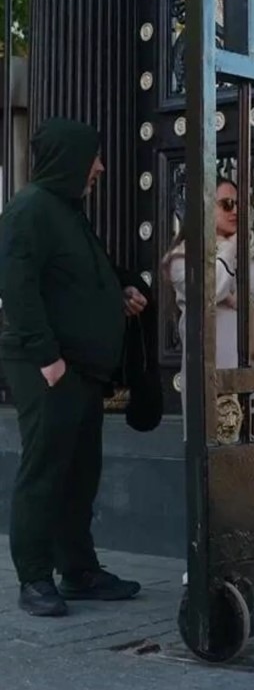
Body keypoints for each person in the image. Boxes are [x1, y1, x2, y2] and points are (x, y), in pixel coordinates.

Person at [0, 118, 145, 617]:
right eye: (93, 157)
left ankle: (79, 571)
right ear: (69, 159)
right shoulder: (30, 209)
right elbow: (17, 286)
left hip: (81, 368)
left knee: (80, 472)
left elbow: (79, 276)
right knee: (45, 470)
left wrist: (121, 289)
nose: (100, 167)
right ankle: (34, 577)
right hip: (47, 366)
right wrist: (47, 358)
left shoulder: (66, 212)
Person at [162, 177, 254, 376]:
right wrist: (230, 248)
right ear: (205, 208)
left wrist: (247, 301)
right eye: (227, 204)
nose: (235, 211)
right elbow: (211, 289)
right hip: (210, 370)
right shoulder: (182, 258)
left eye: (239, 204)